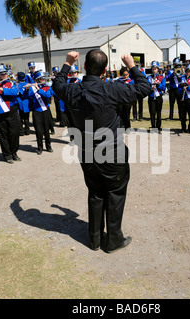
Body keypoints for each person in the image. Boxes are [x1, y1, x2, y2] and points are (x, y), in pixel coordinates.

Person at [52, 49, 150, 253]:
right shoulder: (111, 89)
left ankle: (95, 239)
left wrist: (68, 63)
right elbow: (144, 87)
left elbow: (57, 84)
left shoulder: (72, 90)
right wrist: (131, 65)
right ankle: (113, 240)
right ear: (105, 71)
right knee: (115, 193)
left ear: (85, 67)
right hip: (112, 151)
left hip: (87, 151)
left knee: (95, 193)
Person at [25, 70, 54, 154]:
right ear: (37, 80)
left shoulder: (47, 87)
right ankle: (40, 147)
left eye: (44, 78)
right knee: (38, 130)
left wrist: (38, 89)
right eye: (42, 79)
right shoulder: (32, 88)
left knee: (46, 129)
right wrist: (27, 89)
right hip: (36, 111)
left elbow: (47, 96)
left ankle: (48, 146)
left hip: (45, 110)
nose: (44, 80)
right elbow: (27, 96)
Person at [178, 64, 190, 133]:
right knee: (183, 115)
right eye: (187, 71)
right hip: (183, 98)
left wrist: (188, 87)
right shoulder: (182, 78)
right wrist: (182, 90)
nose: (188, 73)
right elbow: (178, 88)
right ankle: (183, 128)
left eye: (189, 71)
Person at [147, 61, 166, 131]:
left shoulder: (161, 77)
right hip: (151, 96)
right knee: (152, 113)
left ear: (158, 69)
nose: (154, 70)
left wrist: (158, 85)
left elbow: (164, 88)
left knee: (158, 112)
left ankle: (158, 126)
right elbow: (146, 88)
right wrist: (150, 88)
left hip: (158, 97)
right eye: (153, 69)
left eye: (155, 69)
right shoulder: (149, 77)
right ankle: (153, 126)